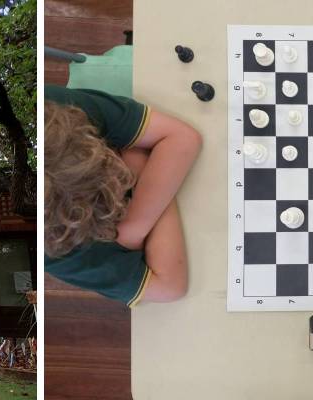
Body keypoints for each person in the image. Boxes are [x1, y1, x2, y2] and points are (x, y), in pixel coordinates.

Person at [44, 85, 201, 307]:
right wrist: (145, 167)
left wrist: (131, 231)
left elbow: (183, 138)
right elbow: (170, 287)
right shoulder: (51, 252)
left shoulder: (54, 111)